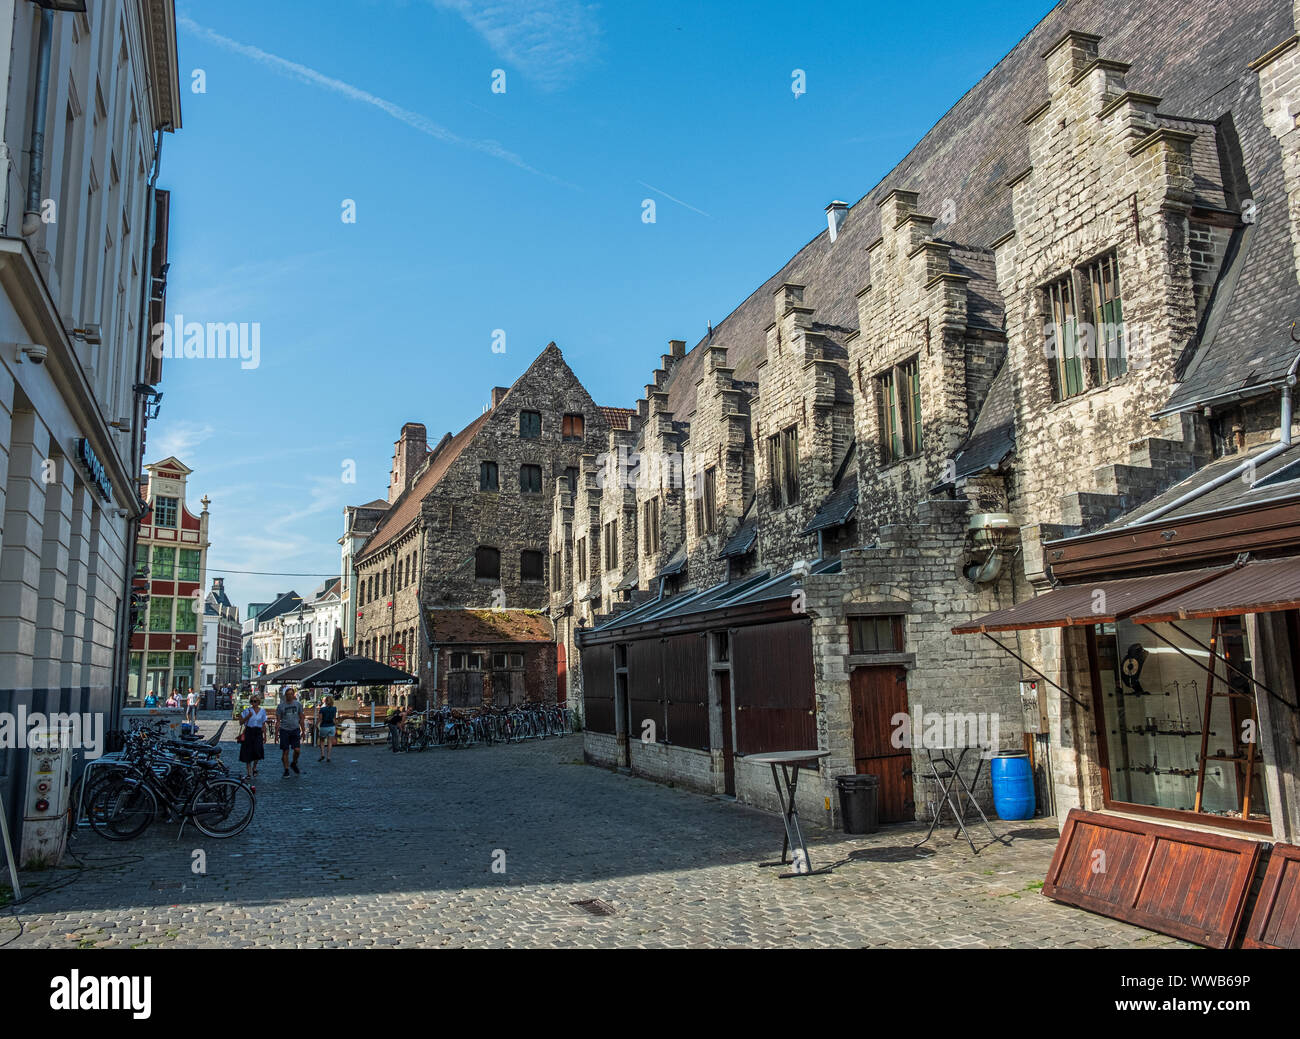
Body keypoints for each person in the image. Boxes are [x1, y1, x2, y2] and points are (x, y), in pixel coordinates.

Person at [277, 687, 305, 777]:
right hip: (284, 730)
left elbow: (301, 718)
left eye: (291, 694)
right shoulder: (281, 706)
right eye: (287, 694)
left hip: (295, 729)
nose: (289, 696)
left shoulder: (298, 705)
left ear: (293, 695)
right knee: (285, 751)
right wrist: (276, 733)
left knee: (297, 750)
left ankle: (294, 762)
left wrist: (303, 731)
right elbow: (278, 720)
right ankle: (286, 769)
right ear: (285, 696)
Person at [239, 695, 267, 781]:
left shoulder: (262, 711)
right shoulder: (247, 711)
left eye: (255, 701)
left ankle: (254, 767)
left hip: (258, 732)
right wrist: (248, 716)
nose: (253, 703)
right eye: (252, 701)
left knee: (257, 751)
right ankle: (248, 772)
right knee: (248, 752)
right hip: (249, 732)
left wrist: (265, 735)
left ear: (258, 702)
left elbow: (263, 724)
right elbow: (241, 722)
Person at [317, 695, 338, 763]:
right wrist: (336, 724)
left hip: (324, 726)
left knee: (322, 741)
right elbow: (334, 719)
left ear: (325, 701)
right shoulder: (334, 708)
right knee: (329, 742)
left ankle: (322, 754)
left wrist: (316, 724)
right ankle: (328, 756)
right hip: (331, 726)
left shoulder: (322, 709)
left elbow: (320, 719)